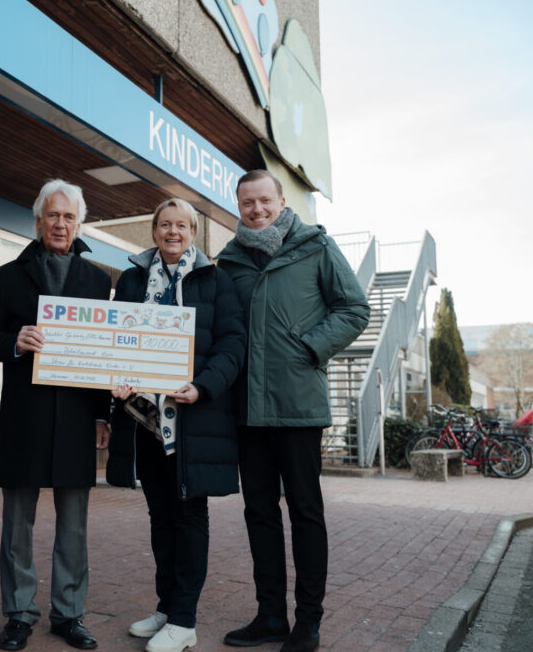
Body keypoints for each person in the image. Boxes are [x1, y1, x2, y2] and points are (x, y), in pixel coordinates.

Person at [215, 170, 370, 652]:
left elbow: (354, 309)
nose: (257, 209)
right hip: (247, 409)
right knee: (259, 513)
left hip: (299, 405)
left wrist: (309, 347)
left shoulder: (315, 247)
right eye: (247, 202)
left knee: (305, 512)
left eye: (265, 200)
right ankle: (269, 617)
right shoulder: (229, 260)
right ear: (238, 205)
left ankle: (308, 622)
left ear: (282, 202)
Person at [104, 198, 246, 652]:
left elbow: (233, 345)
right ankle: (167, 608)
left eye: (181, 225)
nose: (173, 232)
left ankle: (184, 621)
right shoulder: (132, 279)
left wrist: (202, 387)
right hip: (143, 420)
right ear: (154, 231)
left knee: (188, 517)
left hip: (191, 420)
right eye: (165, 225)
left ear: (193, 233)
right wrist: (116, 378)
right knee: (160, 517)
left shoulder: (215, 281)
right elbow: (116, 339)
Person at [0, 179, 112, 651]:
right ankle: (19, 613)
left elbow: (102, 356)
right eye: (53, 215)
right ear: (39, 220)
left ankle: (69, 614)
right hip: (25, 412)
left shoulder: (98, 280)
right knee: (17, 522)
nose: (61, 224)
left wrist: (102, 416)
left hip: (78, 415)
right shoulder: (6, 276)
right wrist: (14, 343)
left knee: (74, 524)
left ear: (79, 224)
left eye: (69, 217)